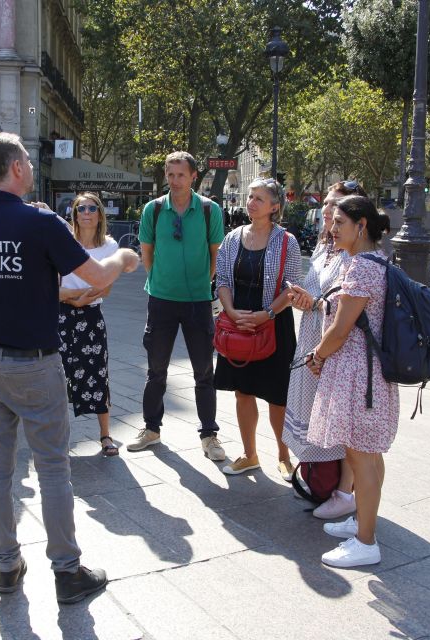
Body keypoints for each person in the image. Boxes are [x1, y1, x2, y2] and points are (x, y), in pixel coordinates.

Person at [0, 132, 139, 603]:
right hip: (33, 363)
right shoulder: (41, 223)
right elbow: (97, 276)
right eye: (27, 160)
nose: (30, 166)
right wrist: (125, 257)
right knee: (52, 467)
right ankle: (67, 572)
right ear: (15, 169)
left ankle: (7, 565)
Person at [304, 195, 397, 568]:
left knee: (361, 458)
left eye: (340, 222)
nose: (332, 228)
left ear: (361, 226)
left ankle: (366, 541)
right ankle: (363, 520)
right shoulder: (379, 262)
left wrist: (317, 355)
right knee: (369, 456)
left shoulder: (360, 267)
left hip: (358, 374)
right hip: (370, 372)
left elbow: (342, 329)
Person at [129, 151, 226, 461]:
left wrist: (200, 284)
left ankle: (209, 436)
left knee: (204, 372)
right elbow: (147, 252)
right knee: (156, 369)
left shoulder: (210, 210)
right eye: (170, 174)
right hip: (161, 300)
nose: (174, 180)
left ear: (193, 176)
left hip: (198, 301)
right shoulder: (153, 210)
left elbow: (215, 255)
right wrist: (159, 281)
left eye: (180, 174)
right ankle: (151, 429)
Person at [282, 181, 367, 516]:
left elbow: (347, 311)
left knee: (342, 425)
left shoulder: (355, 254)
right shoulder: (324, 246)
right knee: (320, 419)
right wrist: (305, 299)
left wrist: (316, 307)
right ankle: (324, 483)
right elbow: (322, 298)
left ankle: (344, 493)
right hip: (312, 337)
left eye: (337, 205)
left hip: (336, 347)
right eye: (328, 204)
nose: (329, 211)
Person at [213, 179, 302, 475]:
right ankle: (249, 454)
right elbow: (222, 280)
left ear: (275, 207)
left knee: (277, 395)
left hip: (274, 324)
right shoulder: (232, 238)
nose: (251, 202)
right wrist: (230, 311)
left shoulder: (287, 241)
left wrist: (266, 314)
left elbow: (292, 288)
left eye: (259, 199)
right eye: (250, 196)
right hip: (238, 323)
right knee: (243, 391)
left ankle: (283, 456)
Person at [58, 193, 120, 456]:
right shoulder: (62, 244)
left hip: (92, 318)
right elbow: (52, 289)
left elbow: (104, 290)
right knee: (56, 376)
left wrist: (79, 297)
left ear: (99, 214)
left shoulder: (109, 247)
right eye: (80, 208)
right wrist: (77, 298)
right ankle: (58, 438)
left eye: (91, 207)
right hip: (59, 315)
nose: (85, 212)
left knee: (97, 373)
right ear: (74, 214)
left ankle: (105, 436)